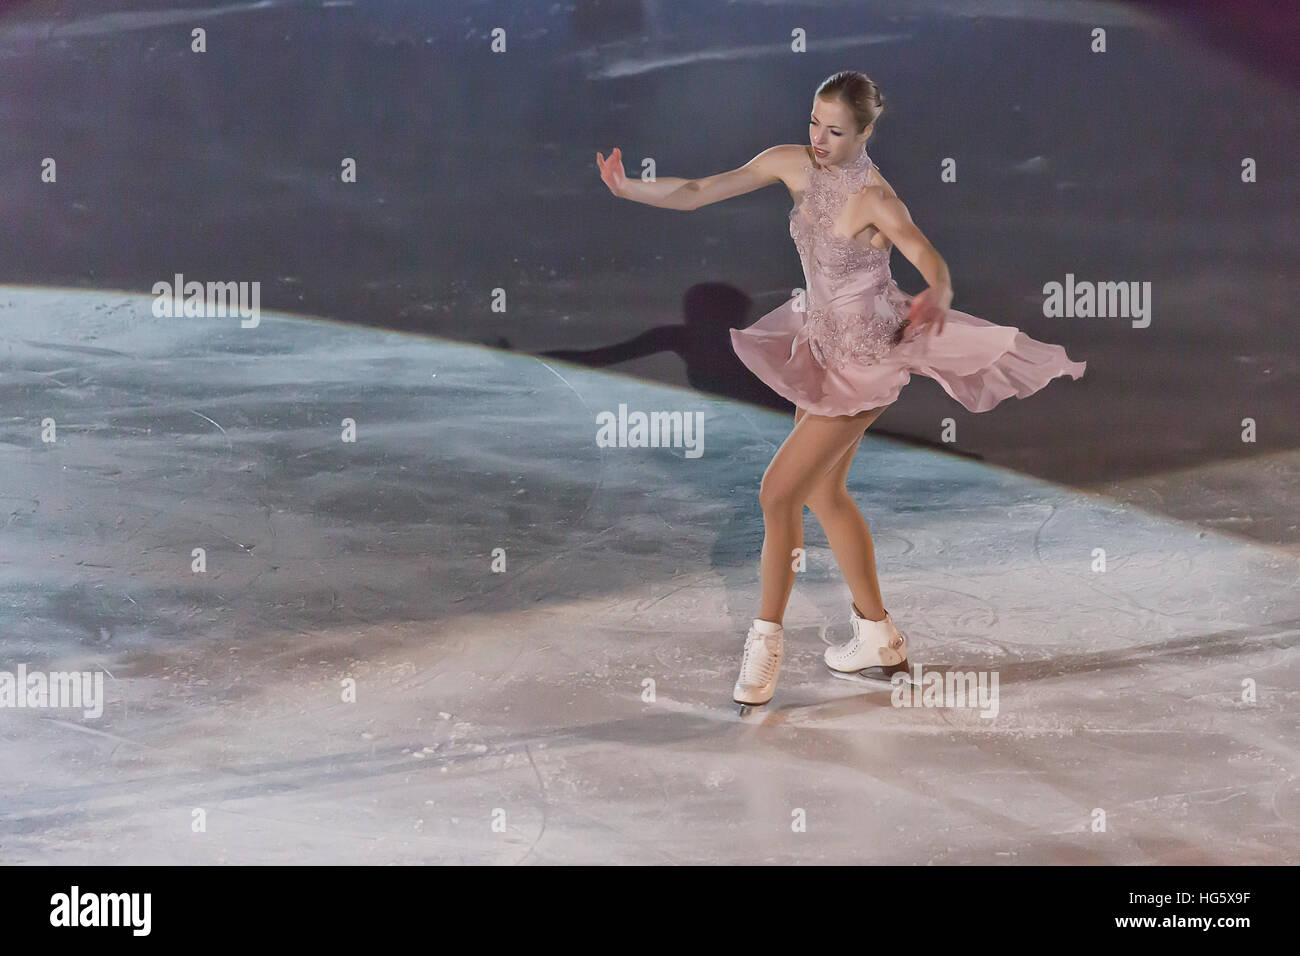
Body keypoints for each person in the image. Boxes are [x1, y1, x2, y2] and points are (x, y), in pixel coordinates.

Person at [595, 70, 1086, 713]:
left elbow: (926, 255)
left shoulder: (876, 199)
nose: (819, 140)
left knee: (777, 492)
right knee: (823, 493)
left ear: (865, 132)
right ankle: (878, 637)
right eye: (814, 124)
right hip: (822, 348)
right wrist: (628, 187)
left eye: (835, 131)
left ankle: (765, 645)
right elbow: (698, 189)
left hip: (867, 362)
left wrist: (937, 290)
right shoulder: (791, 164)